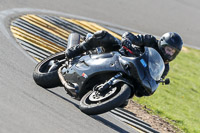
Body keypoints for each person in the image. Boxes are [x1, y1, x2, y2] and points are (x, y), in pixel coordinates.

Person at [65, 30, 183, 79]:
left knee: (124, 102)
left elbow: (154, 81)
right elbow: (132, 36)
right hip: (119, 54)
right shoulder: (150, 41)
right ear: (162, 44)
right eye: (168, 49)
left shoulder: (165, 68)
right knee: (103, 35)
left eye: (173, 52)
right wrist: (127, 40)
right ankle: (76, 50)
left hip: (128, 73)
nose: (170, 53)